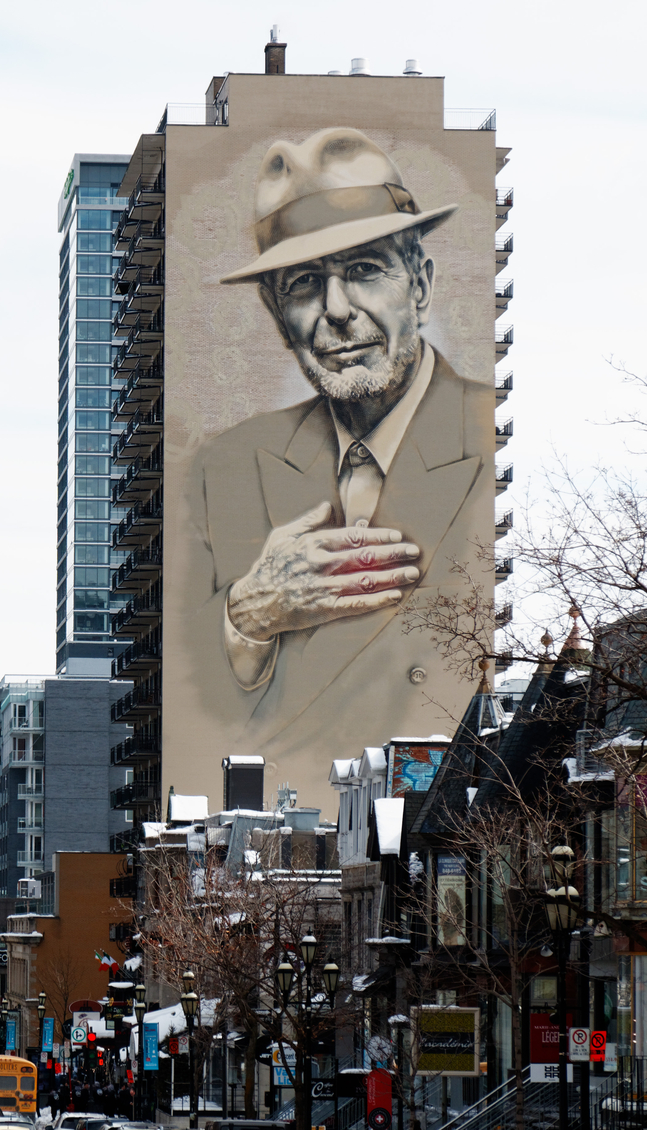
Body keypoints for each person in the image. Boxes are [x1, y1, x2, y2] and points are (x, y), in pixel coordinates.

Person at [184, 126, 488, 763]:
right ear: (275, 313)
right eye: (302, 284)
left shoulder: (489, 436)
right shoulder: (227, 466)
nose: (337, 309)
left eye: (363, 271)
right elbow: (197, 700)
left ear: (421, 286)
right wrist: (247, 616)